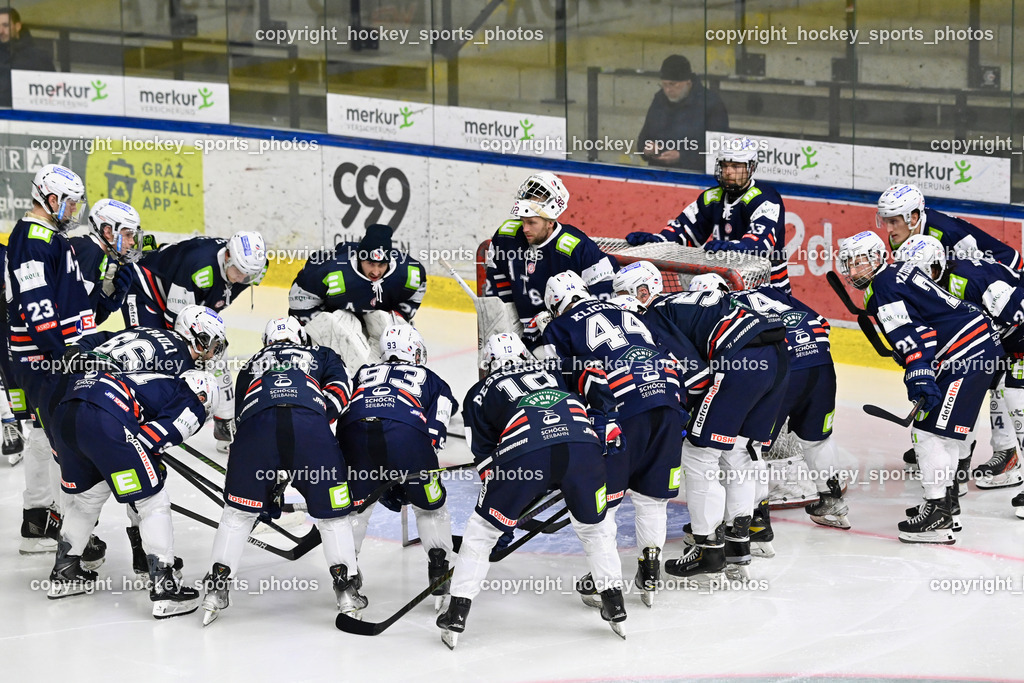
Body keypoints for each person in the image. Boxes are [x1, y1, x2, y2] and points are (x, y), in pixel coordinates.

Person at [437, 332, 625, 649]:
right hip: (582, 445)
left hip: (525, 454)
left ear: (488, 365)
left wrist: (511, 504)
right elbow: (593, 369)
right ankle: (615, 604)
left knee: (482, 532)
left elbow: (485, 460)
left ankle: (457, 614)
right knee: (596, 528)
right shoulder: (557, 368)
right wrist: (604, 419)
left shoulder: (478, 392)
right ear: (525, 355)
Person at [615, 260, 789, 578]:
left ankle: (707, 550)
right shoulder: (679, 302)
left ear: (643, 291)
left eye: (623, 294)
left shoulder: (653, 315)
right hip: (778, 357)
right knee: (740, 451)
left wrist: (685, 415)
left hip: (740, 360)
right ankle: (739, 545)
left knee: (698, 455)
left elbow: (695, 377)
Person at [837, 231, 1001, 543]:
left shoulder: (883, 286)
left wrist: (919, 372)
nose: (853, 270)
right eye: (849, 263)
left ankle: (938, 514)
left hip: (965, 353)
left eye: (859, 262)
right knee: (947, 435)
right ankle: (945, 504)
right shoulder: (898, 271)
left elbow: (913, 332)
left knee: (927, 432)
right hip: (978, 345)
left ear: (876, 258)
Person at [540, 271, 688, 607]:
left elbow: (555, 380)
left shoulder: (558, 327)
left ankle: (604, 581)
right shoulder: (626, 311)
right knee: (652, 500)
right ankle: (650, 571)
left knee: (604, 503)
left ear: (554, 305)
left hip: (621, 410)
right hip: (666, 400)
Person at [201, 316, 361, 625]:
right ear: (302, 338)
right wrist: (311, 414)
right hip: (310, 430)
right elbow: (342, 393)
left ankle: (216, 588)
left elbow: (241, 416)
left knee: (237, 515)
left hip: (256, 433)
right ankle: (346, 589)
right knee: (333, 516)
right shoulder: (321, 355)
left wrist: (271, 473)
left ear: (266, 342)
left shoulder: (251, 363)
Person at [876, 183, 1024, 479]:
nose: (889, 229)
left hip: (1005, 293)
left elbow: (987, 274)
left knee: (993, 377)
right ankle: (951, 448)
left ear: (914, 216)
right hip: (980, 304)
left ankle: (1004, 452)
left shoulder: (948, 236)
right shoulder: (904, 240)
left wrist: (988, 323)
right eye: (886, 221)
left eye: (895, 221)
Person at [47, 367, 217, 619]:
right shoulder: (191, 398)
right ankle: (165, 587)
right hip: (104, 419)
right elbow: (152, 438)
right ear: (204, 395)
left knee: (87, 499)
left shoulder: (156, 380)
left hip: (64, 416)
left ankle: (65, 573)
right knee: (152, 501)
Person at [689, 273, 849, 531]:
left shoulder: (718, 308)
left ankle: (755, 523)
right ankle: (832, 503)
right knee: (817, 439)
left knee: (748, 448)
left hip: (782, 368)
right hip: (821, 362)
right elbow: (821, 321)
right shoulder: (769, 291)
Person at [77, 305, 228, 577]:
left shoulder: (150, 330)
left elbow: (101, 337)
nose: (212, 352)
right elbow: (156, 423)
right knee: (146, 486)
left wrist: (78, 350)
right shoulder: (180, 361)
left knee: (89, 491)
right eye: (211, 344)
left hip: (75, 399)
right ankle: (149, 561)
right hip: (102, 409)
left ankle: (70, 559)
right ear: (196, 336)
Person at [4, 164, 97, 557]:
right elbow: (37, 303)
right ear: (51, 198)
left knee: (48, 436)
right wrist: (62, 353)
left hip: (49, 356)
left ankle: (43, 519)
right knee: (56, 440)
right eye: (70, 203)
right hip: (43, 360)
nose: (74, 210)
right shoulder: (34, 238)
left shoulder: (48, 237)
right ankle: (55, 527)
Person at [337, 323, 457, 608]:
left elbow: (345, 408)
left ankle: (346, 576)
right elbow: (436, 432)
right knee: (431, 507)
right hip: (405, 435)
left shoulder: (363, 373)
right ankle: (439, 571)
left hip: (355, 434)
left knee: (357, 509)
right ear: (414, 352)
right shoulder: (432, 379)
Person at [895, 235, 1023, 498]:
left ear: (935, 267)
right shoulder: (926, 291)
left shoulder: (970, 279)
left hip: (1018, 335)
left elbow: (1016, 313)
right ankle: (959, 469)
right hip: (994, 341)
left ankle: (1008, 456)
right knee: (965, 392)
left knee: (1014, 396)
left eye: (920, 274)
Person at [123, 230, 267, 452]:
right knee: (153, 346)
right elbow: (179, 328)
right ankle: (132, 408)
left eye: (247, 276)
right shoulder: (200, 269)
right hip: (147, 286)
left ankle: (226, 422)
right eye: (238, 271)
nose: (241, 279)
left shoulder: (252, 269)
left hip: (181, 292)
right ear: (228, 256)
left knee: (216, 351)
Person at [626, 137, 790, 292]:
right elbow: (684, 232)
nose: (728, 172)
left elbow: (760, 244)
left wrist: (735, 248)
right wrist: (657, 241)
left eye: (736, 166)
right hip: (727, 286)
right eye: (725, 165)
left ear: (751, 168)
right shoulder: (710, 198)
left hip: (768, 290)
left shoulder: (766, 198)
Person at [483, 172, 617, 350]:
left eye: (532, 222)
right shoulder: (506, 236)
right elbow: (495, 275)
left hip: (566, 339)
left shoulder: (577, 247)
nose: (524, 228)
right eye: (522, 220)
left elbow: (602, 298)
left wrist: (561, 323)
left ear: (550, 222)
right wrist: (506, 318)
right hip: (519, 338)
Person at [288, 224, 426, 371]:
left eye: (381, 264)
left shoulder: (408, 271)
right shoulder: (331, 270)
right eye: (370, 263)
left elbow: (418, 288)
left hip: (374, 315)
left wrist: (401, 314)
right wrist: (319, 331)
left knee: (388, 321)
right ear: (360, 258)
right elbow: (300, 300)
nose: (375, 271)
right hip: (336, 314)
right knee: (339, 324)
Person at [637, 54, 729, 171]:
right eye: (664, 84)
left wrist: (683, 157)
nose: (668, 90)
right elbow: (643, 138)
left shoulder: (710, 104)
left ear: (688, 82)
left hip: (695, 175)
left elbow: (719, 149)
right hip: (658, 172)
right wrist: (647, 149)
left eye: (673, 84)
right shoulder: (659, 100)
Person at [68, 198, 143, 326]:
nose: (132, 242)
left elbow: (90, 318)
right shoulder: (90, 252)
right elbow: (70, 311)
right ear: (107, 231)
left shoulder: (97, 253)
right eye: (128, 235)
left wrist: (107, 299)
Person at [0, 8, 55, 108]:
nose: (0, 31)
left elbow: (52, 93)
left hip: (28, 117)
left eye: (5, 25)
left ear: (17, 26)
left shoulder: (38, 57)